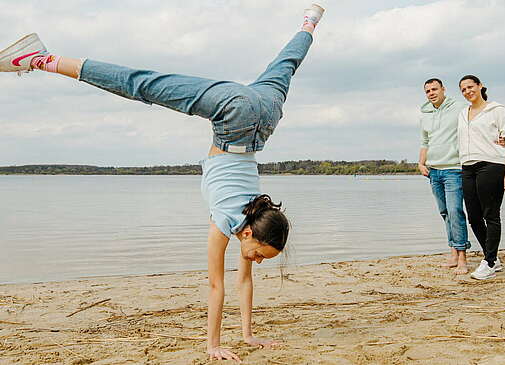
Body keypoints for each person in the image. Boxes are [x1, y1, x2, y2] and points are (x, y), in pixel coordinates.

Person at [0, 4, 325, 362]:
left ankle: (309, 23)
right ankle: (39, 59)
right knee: (142, 84)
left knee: (285, 66)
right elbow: (218, 286)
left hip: (266, 113)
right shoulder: (224, 224)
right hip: (235, 114)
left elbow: (243, 282)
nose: (257, 262)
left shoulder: (254, 216)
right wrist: (212, 345)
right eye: (261, 255)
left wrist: (248, 337)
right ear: (250, 235)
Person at [457, 75, 505, 280]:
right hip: (467, 167)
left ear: (480, 86)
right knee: (473, 217)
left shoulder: (497, 110)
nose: (467, 92)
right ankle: (492, 257)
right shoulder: (462, 114)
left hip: (492, 165)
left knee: (490, 215)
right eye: (463, 89)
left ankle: (489, 262)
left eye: (470, 87)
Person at [418, 78, 471, 274]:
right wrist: (421, 163)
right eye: (427, 91)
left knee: (456, 210)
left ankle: (463, 258)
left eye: (434, 89)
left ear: (443, 89)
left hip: (454, 169)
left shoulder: (459, 107)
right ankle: (453, 253)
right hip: (434, 171)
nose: (431, 93)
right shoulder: (425, 114)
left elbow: (476, 123)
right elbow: (425, 141)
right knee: (445, 212)